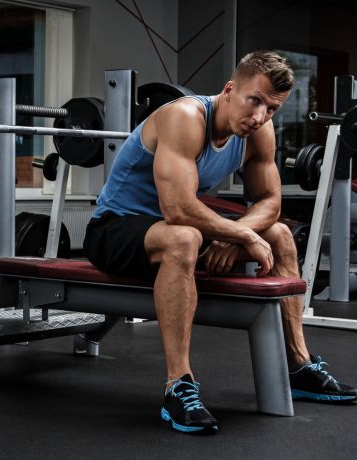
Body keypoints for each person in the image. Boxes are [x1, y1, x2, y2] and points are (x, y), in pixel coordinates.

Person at [83, 50, 357, 434]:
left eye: (272, 109)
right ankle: (178, 385)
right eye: (254, 101)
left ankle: (298, 364)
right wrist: (241, 232)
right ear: (230, 89)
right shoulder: (185, 118)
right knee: (185, 236)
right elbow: (178, 208)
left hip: (177, 229)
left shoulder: (258, 131)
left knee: (277, 234)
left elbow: (270, 202)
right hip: (115, 229)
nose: (260, 116)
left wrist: (237, 233)